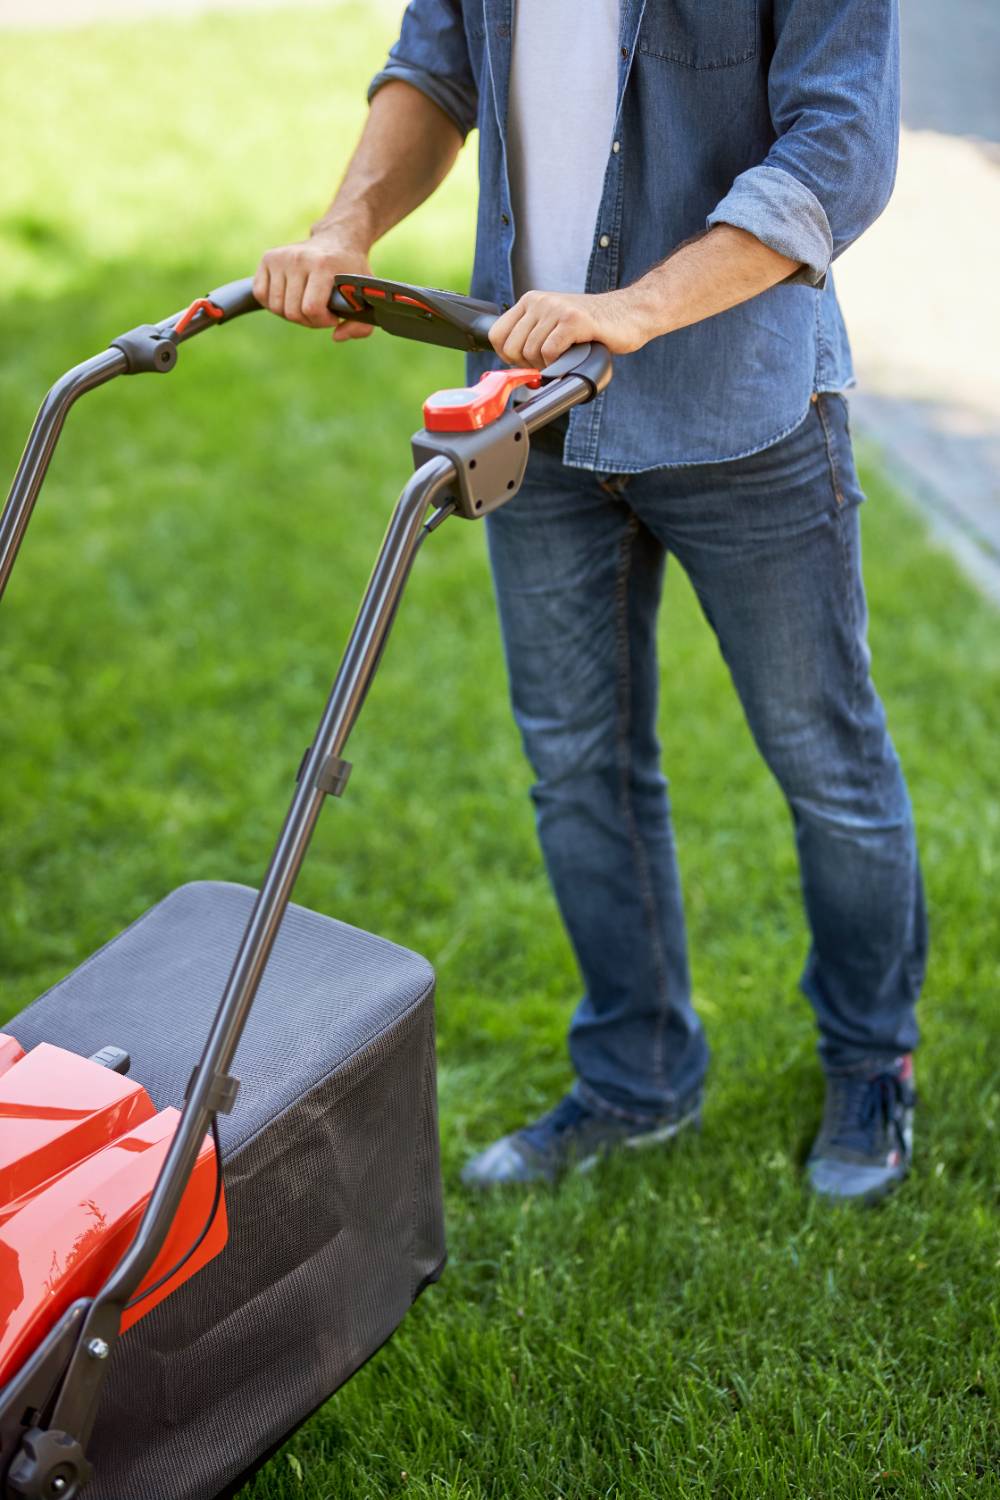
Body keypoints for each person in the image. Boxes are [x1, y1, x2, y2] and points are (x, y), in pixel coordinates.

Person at [254, 0, 925, 1204]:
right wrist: (346, 224)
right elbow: (435, 69)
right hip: (533, 413)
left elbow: (838, 150)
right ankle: (637, 1074)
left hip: (744, 410)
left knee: (824, 760)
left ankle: (873, 1059)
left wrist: (634, 308)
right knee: (578, 765)